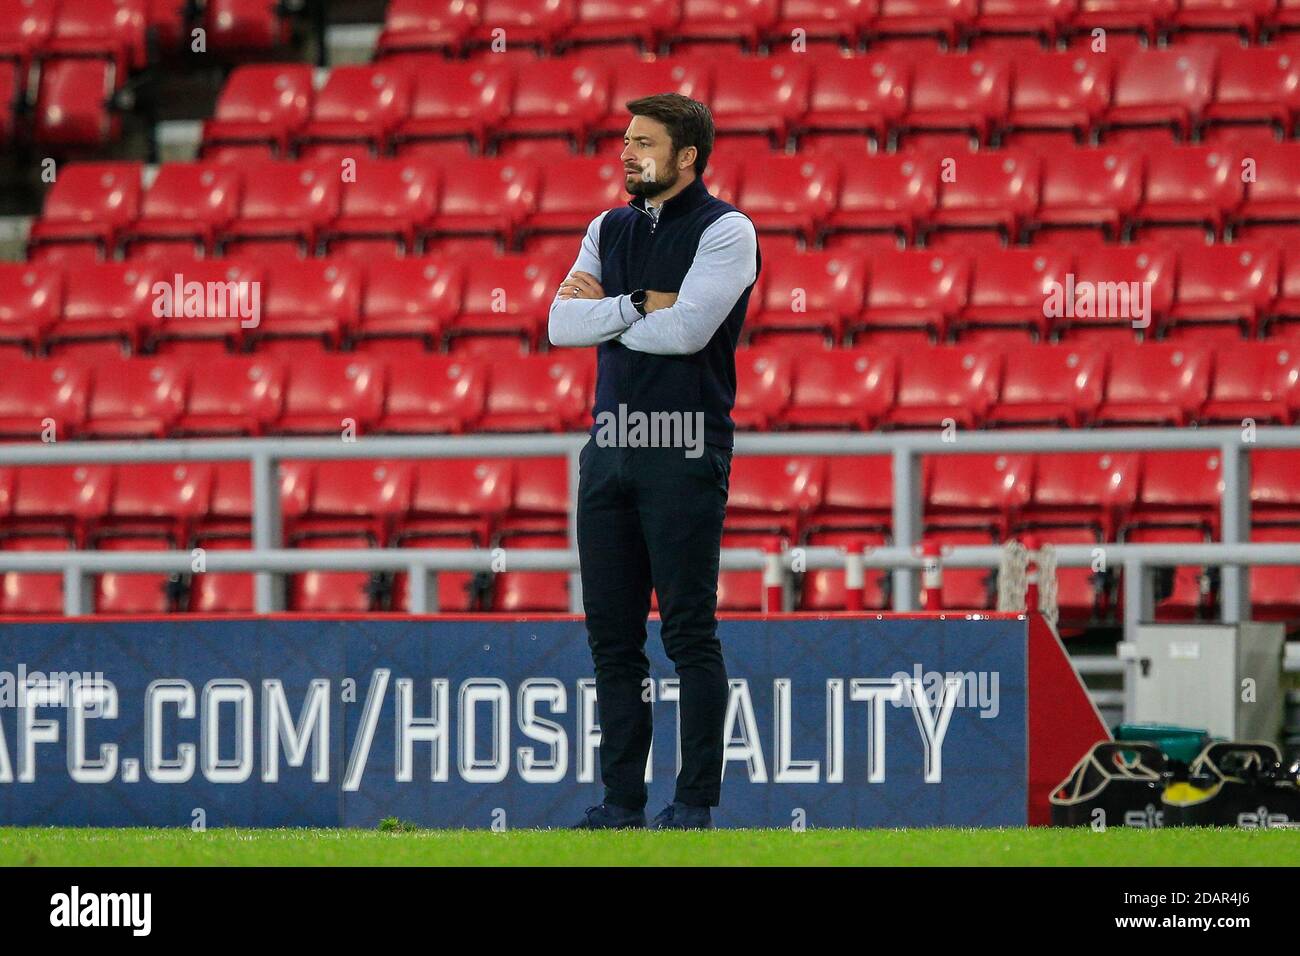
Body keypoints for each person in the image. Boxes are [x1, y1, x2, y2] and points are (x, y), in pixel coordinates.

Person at [548, 93, 761, 830]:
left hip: (684, 445)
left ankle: (694, 802)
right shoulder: (606, 226)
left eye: (643, 142)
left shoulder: (728, 229)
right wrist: (639, 302)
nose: (626, 153)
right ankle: (621, 803)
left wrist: (608, 312)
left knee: (687, 632)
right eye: (625, 140)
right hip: (609, 450)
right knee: (612, 638)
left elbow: (689, 333)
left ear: (687, 156)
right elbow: (557, 325)